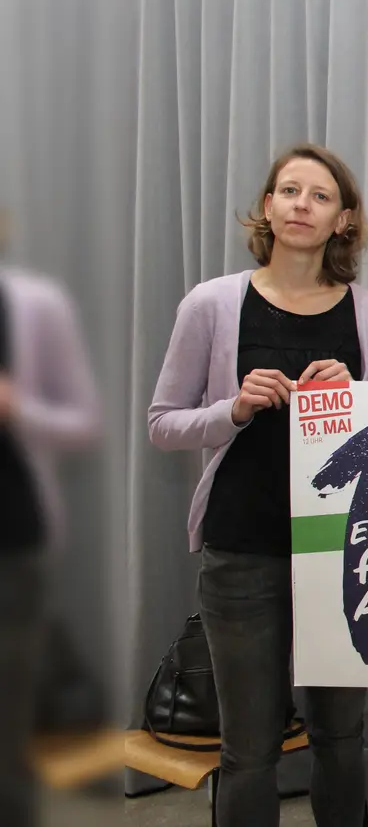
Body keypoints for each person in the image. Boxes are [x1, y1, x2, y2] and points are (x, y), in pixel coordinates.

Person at [148, 144, 368, 826]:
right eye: (289, 191)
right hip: (241, 551)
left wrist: (360, 397)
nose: (301, 206)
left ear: (344, 220)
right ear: (267, 206)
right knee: (249, 750)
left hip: (344, 554)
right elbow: (162, 424)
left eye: (320, 196)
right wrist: (233, 407)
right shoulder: (212, 304)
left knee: (343, 741)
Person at [0, 213, 101, 827]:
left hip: (12, 545)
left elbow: (84, 422)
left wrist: (15, 409)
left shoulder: (36, 306)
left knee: (6, 729)